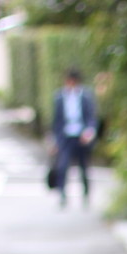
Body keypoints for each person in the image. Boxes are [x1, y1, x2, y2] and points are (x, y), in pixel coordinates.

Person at [51, 68, 98, 206]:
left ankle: (86, 195)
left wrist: (89, 132)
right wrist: (54, 139)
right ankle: (62, 195)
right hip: (65, 136)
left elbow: (91, 117)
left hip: (81, 136)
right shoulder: (59, 97)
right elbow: (56, 120)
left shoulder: (86, 96)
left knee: (84, 167)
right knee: (63, 166)